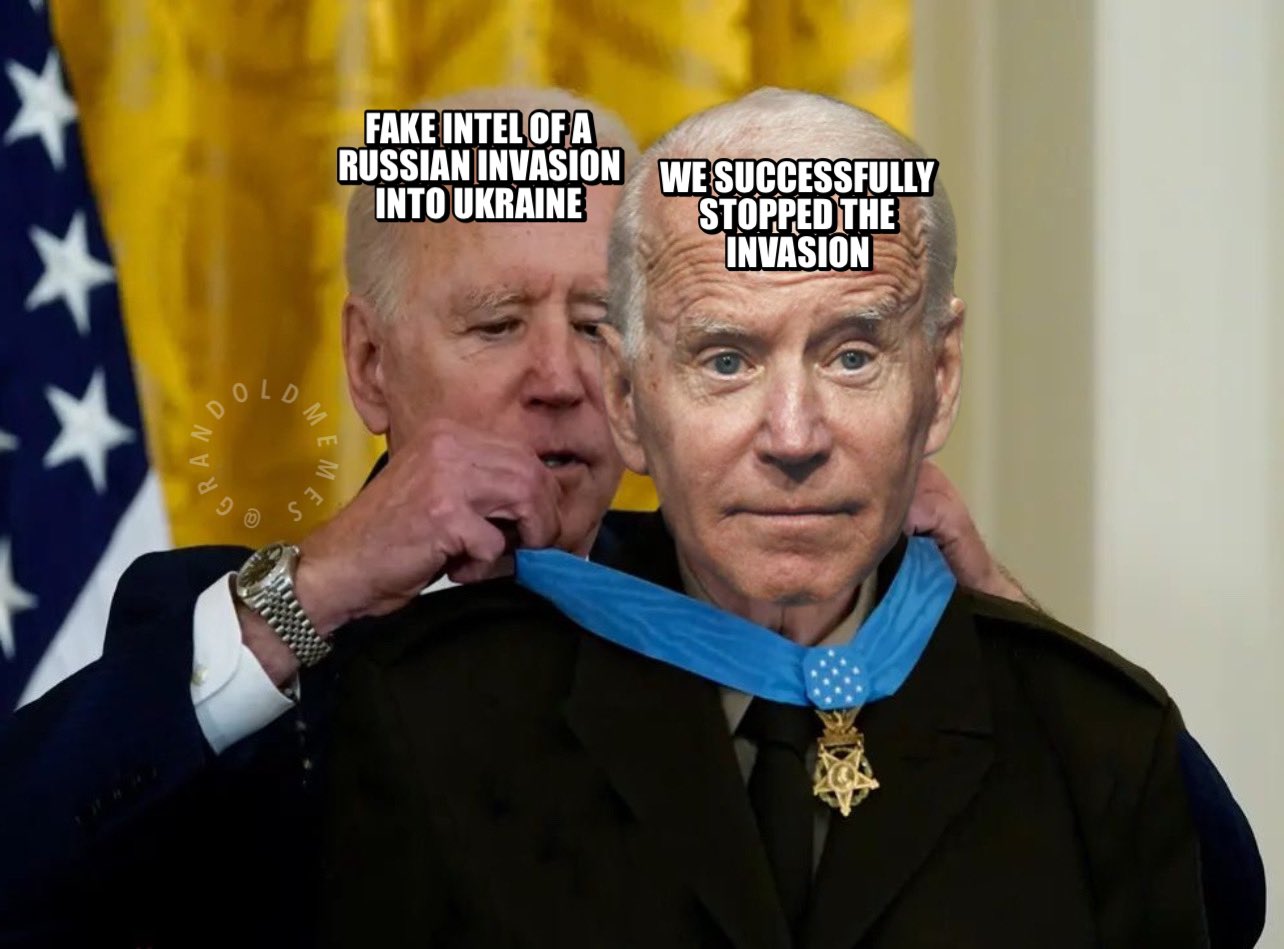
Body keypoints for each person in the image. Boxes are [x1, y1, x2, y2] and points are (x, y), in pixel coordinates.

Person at [0, 88, 1261, 948]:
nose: (559, 377)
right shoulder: (235, 633)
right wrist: (317, 588)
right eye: (499, 324)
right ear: (371, 365)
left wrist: (985, 603)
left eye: (599, 326)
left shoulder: (775, 606)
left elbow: (1214, 894)